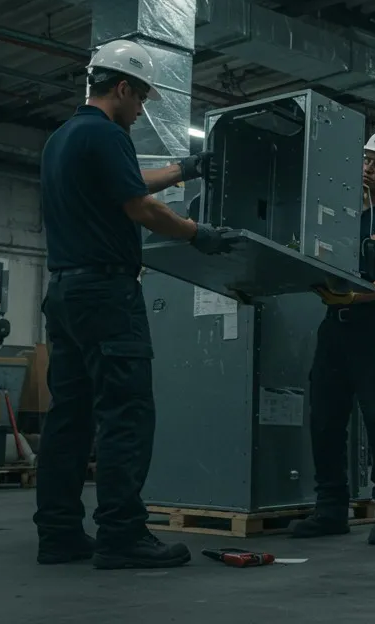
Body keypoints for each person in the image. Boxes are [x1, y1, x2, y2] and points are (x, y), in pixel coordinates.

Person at [34, 38, 234, 570]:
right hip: (107, 293)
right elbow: (140, 207)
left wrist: (186, 169)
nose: (142, 109)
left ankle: (57, 534)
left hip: (64, 294)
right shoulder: (108, 133)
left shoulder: (64, 137)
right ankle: (122, 533)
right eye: (141, 97)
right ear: (121, 88)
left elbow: (126, 183)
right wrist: (197, 233)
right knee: (126, 413)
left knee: (69, 417)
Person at [289, 128, 375, 546]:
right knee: (326, 421)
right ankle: (330, 508)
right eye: (365, 160)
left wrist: (358, 295)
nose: (368, 168)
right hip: (336, 330)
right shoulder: (343, 213)